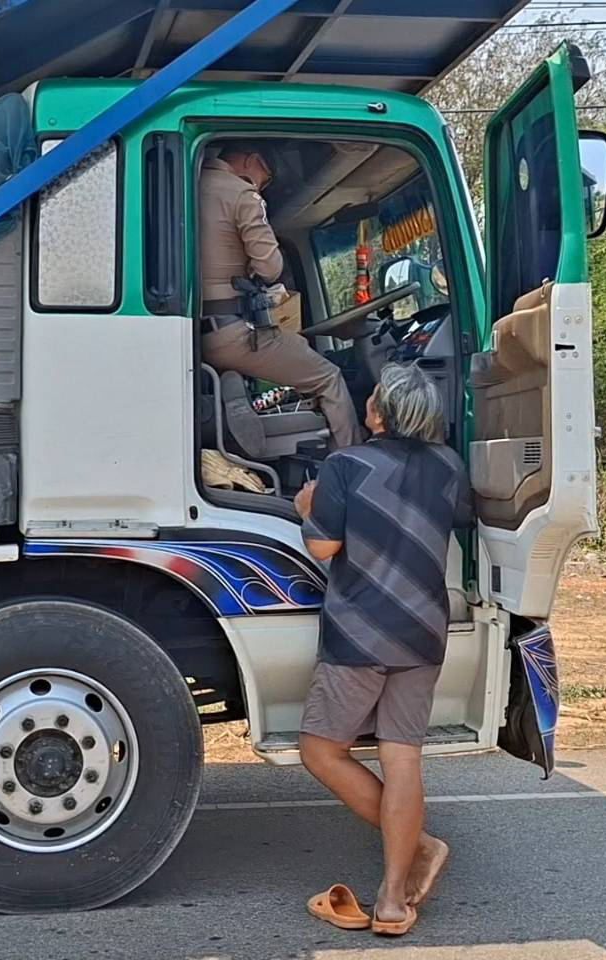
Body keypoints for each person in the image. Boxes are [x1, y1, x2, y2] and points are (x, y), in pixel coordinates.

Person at [293, 362, 473, 937]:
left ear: (379, 413)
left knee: (322, 751)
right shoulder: (449, 466)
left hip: (360, 632)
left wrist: (307, 509)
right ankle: (392, 903)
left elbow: (323, 548)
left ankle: (422, 845)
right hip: (423, 630)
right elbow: (458, 519)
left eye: (372, 397)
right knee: (402, 760)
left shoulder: (346, 465)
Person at [199, 141, 361, 449]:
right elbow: (271, 268)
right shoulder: (242, 194)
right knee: (329, 377)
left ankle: (234, 394)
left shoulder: (191, 185)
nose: (264, 185)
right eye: (268, 176)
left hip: (198, 332)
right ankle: (351, 463)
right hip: (231, 334)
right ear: (253, 160)